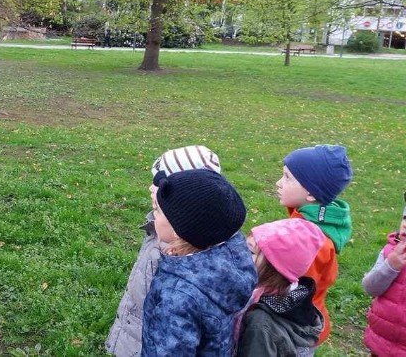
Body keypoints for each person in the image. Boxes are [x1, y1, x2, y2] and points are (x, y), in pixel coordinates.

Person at [105, 145, 222, 357]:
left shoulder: (177, 253)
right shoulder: (163, 227)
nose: (151, 187)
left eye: (159, 183)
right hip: (135, 328)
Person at [141, 169, 257, 356]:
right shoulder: (233, 253)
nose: (154, 216)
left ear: (178, 231)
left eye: (157, 211)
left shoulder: (178, 296)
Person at [277, 144, 352, 346]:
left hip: (294, 331)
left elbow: (292, 293)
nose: (278, 183)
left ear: (311, 194)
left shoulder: (308, 241)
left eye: (287, 177)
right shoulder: (315, 221)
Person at [236, 218, 325, 357]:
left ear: (274, 268)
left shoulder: (260, 323)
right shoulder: (294, 296)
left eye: (251, 252)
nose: (240, 254)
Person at [362, 195, 406, 356]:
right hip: (381, 341)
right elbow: (370, 288)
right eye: (405, 217)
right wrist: (390, 266)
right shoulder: (390, 251)